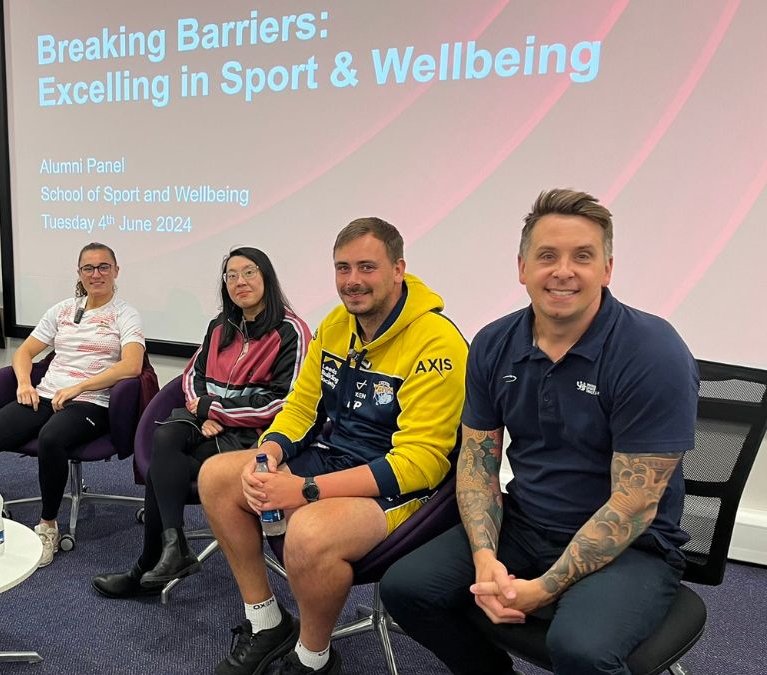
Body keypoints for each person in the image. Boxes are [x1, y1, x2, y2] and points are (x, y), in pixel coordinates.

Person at [380, 189, 699, 675]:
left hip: (632, 546)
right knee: (405, 588)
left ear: (607, 269)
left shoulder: (652, 353)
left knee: (580, 649)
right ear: (522, 267)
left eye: (583, 257)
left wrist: (542, 589)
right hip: (526, 525)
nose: (563, 271)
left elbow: (634, 504)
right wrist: (486, 559)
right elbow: (476, 460)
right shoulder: (494, 344)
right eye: (547, 256)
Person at [199, 219, 468, 675]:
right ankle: (266, 622)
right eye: (343, 268)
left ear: (398, 269)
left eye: (367, 267)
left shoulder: (437, 341)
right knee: (218, 476)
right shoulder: (336, 324)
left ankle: (313, 658)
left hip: (398, 485)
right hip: (330, 455)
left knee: (310, 532)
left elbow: (419, 464)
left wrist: (305, 490)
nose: (353, 281)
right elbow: (301, 407)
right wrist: (268, 454)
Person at [92, 247, 312, 599]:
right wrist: (202, 409)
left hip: (253, 439)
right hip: (204, 423)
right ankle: (171, 549)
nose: (240, 282)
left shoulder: (292, 332)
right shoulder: (220, 326)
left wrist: (215, 410)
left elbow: (283, 401)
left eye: (249, 273)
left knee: (166, 463)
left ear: (266, 277)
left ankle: (148, 566)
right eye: (231, 276)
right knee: (166, 440)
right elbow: (192, 376)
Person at [0, 242, 145, 568]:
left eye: (103, 267)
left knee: (52, 438)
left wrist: (80, 386)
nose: (96, 274)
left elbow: (131, 366)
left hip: (91, 402)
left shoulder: (125, 314)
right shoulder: (62, 310)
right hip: (46, 395)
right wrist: (25, 384)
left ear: (116, 271)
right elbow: (23, 353)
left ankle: (47, 526)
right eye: (88, 268)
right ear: (79, 273)